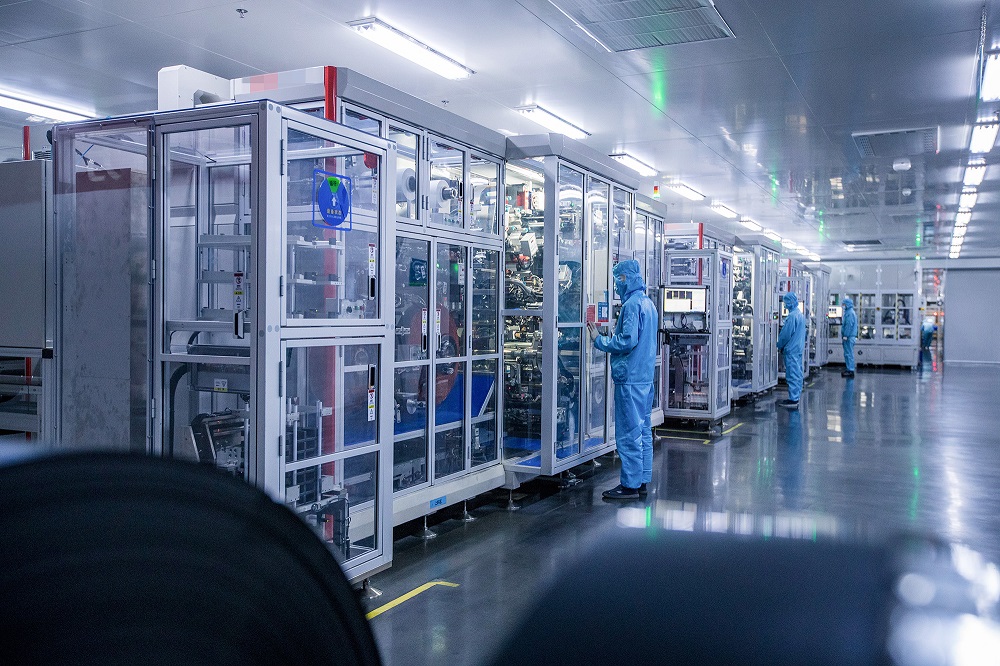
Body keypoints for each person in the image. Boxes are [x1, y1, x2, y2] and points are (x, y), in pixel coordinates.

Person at [587, 259, 658, 500]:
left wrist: (599, 340)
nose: (616, 285)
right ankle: (642, 480)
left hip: (630, 380)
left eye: (617, 280)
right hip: (644, 379)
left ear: (625, 279)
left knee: (628, 433)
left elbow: (627, 341)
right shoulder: (648, 304)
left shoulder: (631, 305)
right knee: (643, 431)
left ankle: (629, 485)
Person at [776, 292, 806, 409]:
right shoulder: (800, 315)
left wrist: (779, 345)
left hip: (791, 350)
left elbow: (785, 335)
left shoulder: (792, 317)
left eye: (785, 302)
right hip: (797, 349)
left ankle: (793, 399)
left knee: (792, 374)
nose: (784, 305)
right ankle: (796, 397)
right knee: (797, 373)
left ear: (790, 302)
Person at [841, 298, 858, 378]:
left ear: (847, 304)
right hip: (849, 337)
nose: (843, 306)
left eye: (844, 304)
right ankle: (849, 369)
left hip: (849, 337)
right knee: (848, 354)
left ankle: (850, 370)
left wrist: (845, 335)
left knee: (849, 354)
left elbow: (849, 325)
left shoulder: (850, 313)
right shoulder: (849, 312)